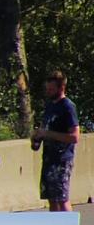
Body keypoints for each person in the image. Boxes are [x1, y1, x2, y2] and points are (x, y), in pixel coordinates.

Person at [31, 71, 80, 212]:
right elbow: (45, 128)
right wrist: (37, 136)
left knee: (62, 198)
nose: (48, 92)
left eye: (51, 89)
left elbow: (74, 136)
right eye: (47, 89)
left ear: (61, 88)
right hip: (48, 158)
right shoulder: (49, 106)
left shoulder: (68, 107)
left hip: (62, 159)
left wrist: (48, 133)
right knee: (51, 199)